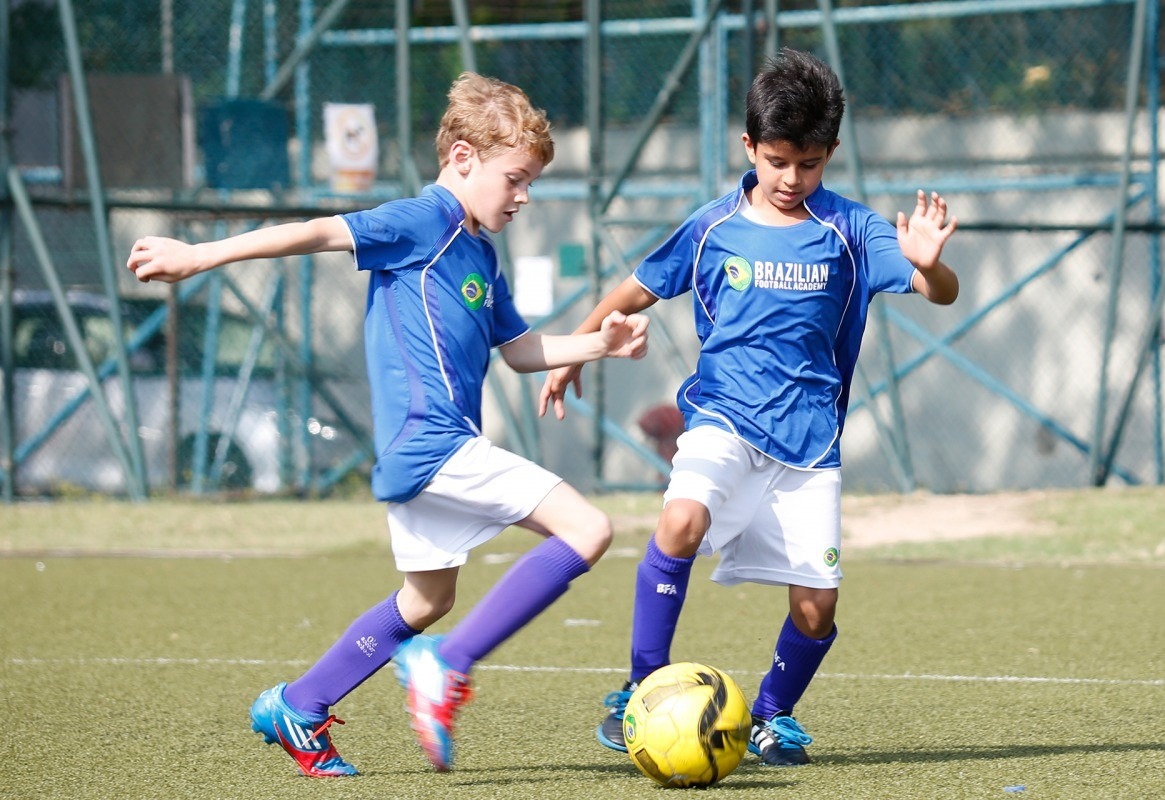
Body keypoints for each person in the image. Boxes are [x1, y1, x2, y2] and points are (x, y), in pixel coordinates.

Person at [127, 72, 649, 776]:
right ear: (462, 158)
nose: (524, 196)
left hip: (425, 452)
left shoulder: (479, 251)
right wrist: (201, 256)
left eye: (530, 183)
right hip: (434, 444)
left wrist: (598, 346)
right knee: (588, 529)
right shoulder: (423, 220)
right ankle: (450, 665)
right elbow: (318, 231)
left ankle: (299, 704)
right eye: (515, 179)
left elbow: (521, 351)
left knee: (427, 599)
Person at [540, 48, 959, 767]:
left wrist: (929, 263)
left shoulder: (853, 231)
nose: (792, 179)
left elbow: (939, 293)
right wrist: (575, 349)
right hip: (723, 419)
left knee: (816, 609)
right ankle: (641, 689)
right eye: (776, 161)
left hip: (810, 444)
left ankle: (771, 715)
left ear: (830, 153)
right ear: (749, 147)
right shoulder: (712, 227)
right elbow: (636, 289)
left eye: (809, 164)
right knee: (680, 520)